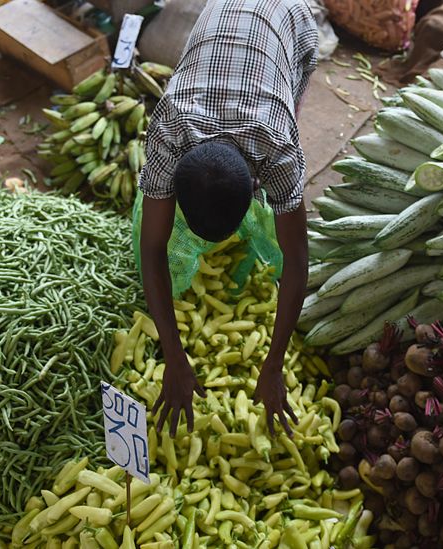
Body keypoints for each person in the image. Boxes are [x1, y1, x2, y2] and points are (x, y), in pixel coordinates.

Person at [137, 0, 319, 438]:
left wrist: (273, 365)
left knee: (289, 99)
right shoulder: (169, 126)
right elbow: (152, 247)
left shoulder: (278, 145)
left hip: (289, 19)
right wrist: (174, 356)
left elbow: (297, 262)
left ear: (255, 191)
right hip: (222, 13)